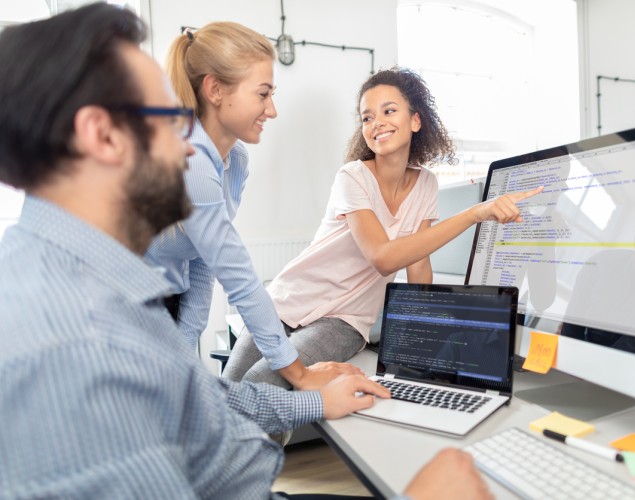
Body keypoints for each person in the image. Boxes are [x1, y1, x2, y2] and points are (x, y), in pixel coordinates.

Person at [0, 5, 493, 499]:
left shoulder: (105, 294)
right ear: (102, 136)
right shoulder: (73, 343)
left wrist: (314, 400)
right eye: (172, 119)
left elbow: (202, 400)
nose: (190, 148)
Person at [224, 67, 543, 386]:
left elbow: (418, 262)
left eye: (389, 111)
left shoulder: (426, 184)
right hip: (287, 299)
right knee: (229, 390)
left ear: (415, 120)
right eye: (367, 117)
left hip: (345, 320)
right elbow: (383, 258)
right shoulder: (352, 177)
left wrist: (424, 336)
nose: (377, 123)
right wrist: (474, 213)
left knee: (263, 380)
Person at [144, 21, 357, 390]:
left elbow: (203, 261)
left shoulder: (235, 161)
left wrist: (182, 347)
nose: (272, 110)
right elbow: (239, 277)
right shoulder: (189, 161)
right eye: (262, 94)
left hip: (166, 302)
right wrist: (299, 373)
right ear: (214, 89)